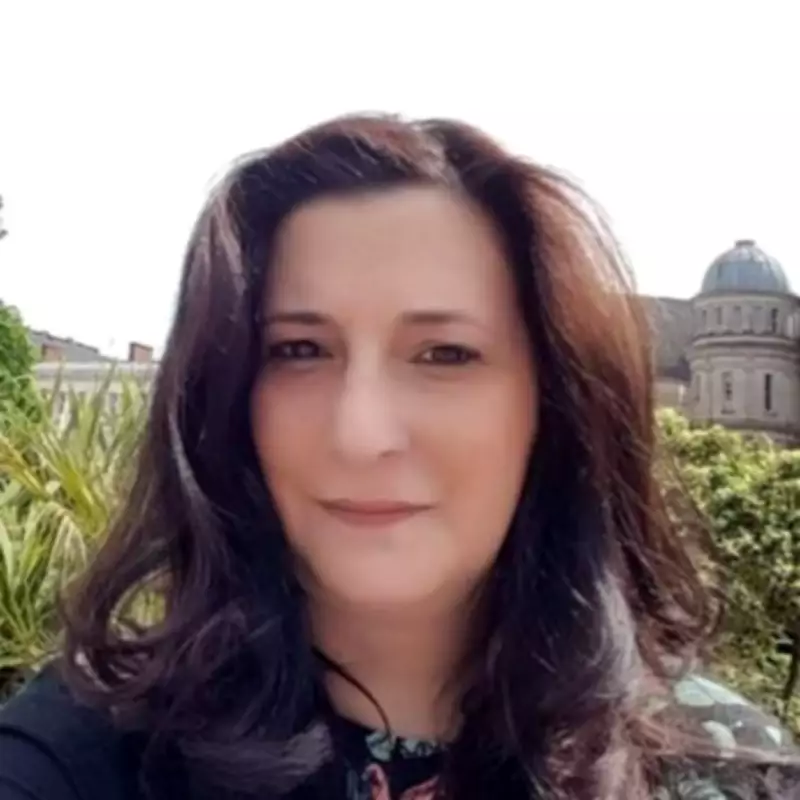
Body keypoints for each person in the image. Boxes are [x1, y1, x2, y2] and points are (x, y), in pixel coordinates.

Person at [0, 115, 796, 800]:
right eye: (300, 349)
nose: (362, 433)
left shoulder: (725, 770)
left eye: (444, 354)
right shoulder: (89, 752)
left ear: (554, 405)